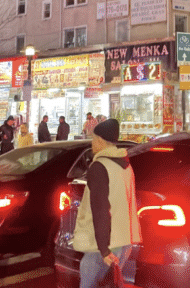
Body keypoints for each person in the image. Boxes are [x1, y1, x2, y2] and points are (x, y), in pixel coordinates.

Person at [73, 118, 141, 288]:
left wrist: (104, 249)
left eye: (94, 139)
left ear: (101, 141)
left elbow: (101, 209)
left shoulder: (100, 166)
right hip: (125, 241)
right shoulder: (125, 165)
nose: (92, 143)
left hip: (104, 245)